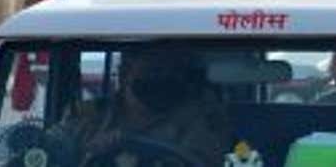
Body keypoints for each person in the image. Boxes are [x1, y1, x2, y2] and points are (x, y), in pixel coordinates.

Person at [51, 49, 228, 165]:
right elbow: (47, 150)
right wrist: (90, 150)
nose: (162, 80)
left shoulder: (198, 119)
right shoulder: (86, 116)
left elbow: (207, 160)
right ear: (125, 73)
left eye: (171, 73)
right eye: (154, 71)